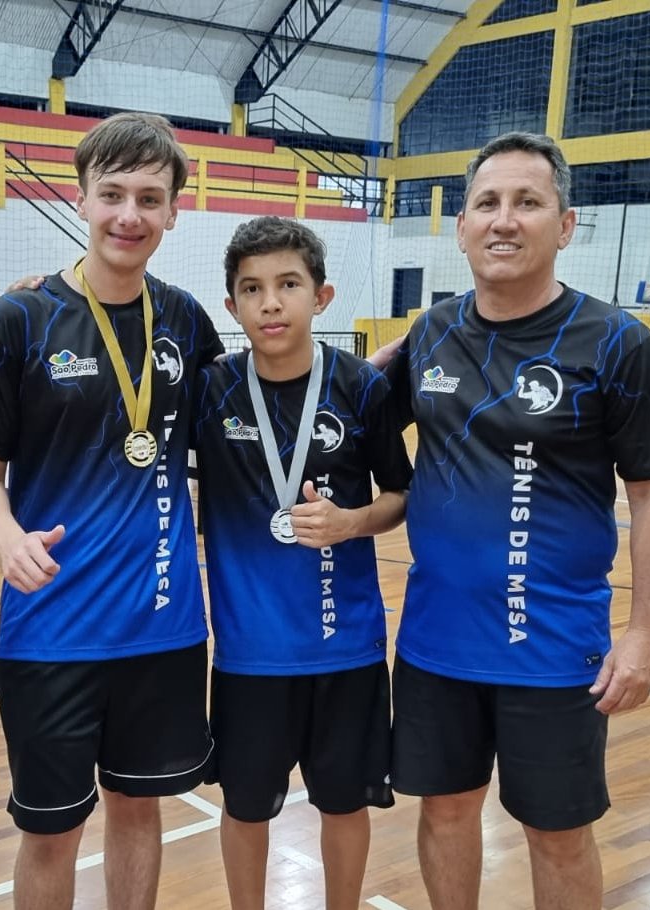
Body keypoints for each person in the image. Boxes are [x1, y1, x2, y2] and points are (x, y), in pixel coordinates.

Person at [386, 132, 650, 909]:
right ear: (461, 227)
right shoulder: (430, 332)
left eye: (528, 201)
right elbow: (339, 397)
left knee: (557, 833)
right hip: (437, 642)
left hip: (553, 647)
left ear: (566, 224)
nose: (504, 219)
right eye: (487, 202)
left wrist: (645, 634)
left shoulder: (616, 342)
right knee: (445, 811)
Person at [0, 111, 223, 910]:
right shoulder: (19, 319)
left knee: (139, 810)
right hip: (51, 627)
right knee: (51, 832)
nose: (129, 215)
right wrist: (7, 538)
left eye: (150, 198)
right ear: (81, 199)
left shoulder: (186, 320)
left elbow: (252, 414)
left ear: (174, 210)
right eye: (112, 194)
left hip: (163, 627)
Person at [193, 216, 412, 910]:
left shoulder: (361, 387)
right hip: (249, 655)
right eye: (251, 288)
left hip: (345, 648)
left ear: (321, 296)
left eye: (288, 284)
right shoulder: (210, 390)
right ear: (231, 306)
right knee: (245, 807)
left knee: (344, 804)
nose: (271, 303)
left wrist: (352, 522)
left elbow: (400, 496)